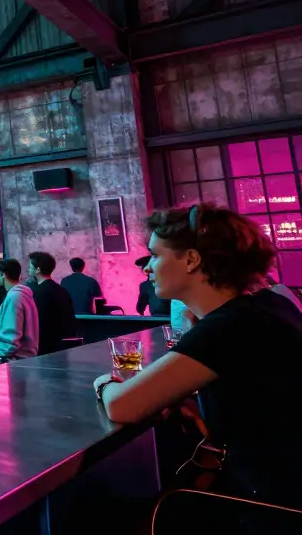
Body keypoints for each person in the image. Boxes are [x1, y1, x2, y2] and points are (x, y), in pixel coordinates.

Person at [94, 205, 302, 512]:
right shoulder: (269, 305)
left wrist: (103, 384)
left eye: (154, 255)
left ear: (191, 260)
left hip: (268, 507)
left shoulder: (229, 326)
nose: (147, 268)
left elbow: (122, 404)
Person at [29, 251, 77, 354]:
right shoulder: (61, 290)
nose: (28, 270)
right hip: (62, 346)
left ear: (38, 269)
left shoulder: (39, 292)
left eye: (30, 267)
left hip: (46, 347)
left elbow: (39, 321)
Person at [0, 259, 39, 360]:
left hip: (15, 359)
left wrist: (2, 354)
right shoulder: (24, 294)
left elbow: (11, 333)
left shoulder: (14, 297)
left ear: (3, 274)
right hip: (27, 357)